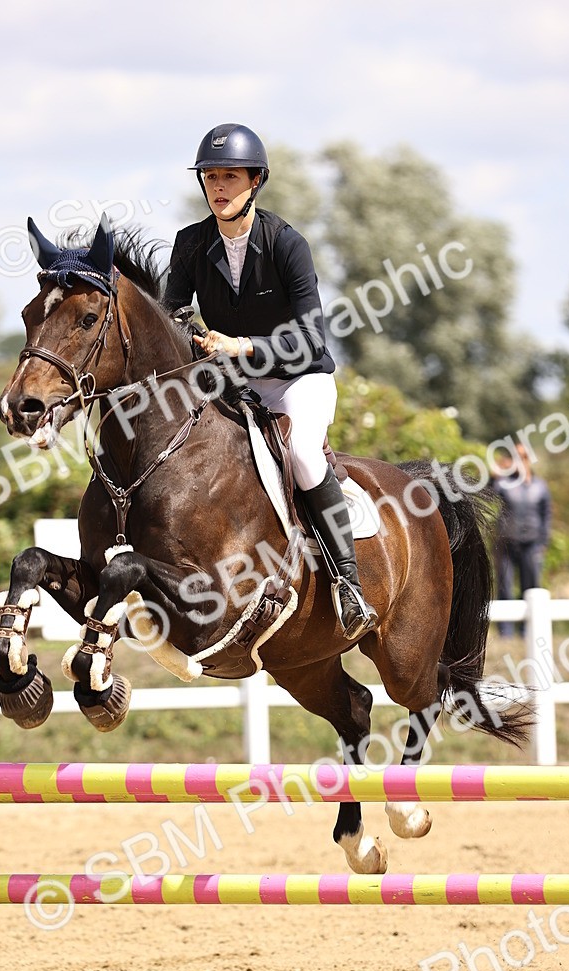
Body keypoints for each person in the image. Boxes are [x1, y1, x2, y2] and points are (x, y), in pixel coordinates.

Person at [163, 122, 377, 640]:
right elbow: (170, 313)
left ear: (255, 181)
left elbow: (311, 340)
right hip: (235, 386)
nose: (218, 186)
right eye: (210, 176)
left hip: (297, 379)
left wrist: (242, 346)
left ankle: (348, 585)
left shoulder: (287, 245)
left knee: (302, 453)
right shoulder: (191, 244)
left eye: (229, 176)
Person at [491, 443, 552, 637]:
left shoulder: (540, 486)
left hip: (532, 544)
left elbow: (546, 515)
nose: (520, 460)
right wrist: (493, 475)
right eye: (516, 456)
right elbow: (488, 495)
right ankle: (506, 632)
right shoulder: (503, 483)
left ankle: (528, 631)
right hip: (506, 543)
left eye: (523, 456)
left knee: (531, 586)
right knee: (505, 586)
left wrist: (543, 542)